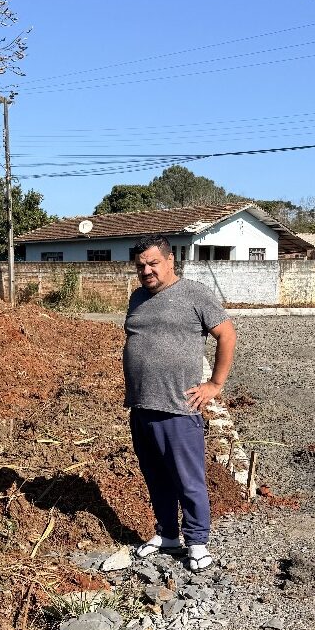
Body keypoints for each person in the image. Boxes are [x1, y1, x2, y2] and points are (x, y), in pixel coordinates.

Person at [123, 233, 237, 572]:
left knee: (188, 479)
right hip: (142, 406)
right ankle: (168, 535)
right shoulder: (137, 297)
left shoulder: (194, 294)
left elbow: (227, 334)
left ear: (171, 260)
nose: (146, 271)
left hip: (178, 407)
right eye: (140, 266)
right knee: (156, 477)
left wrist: (215, 384)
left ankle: (197, 542)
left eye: (153, 263)